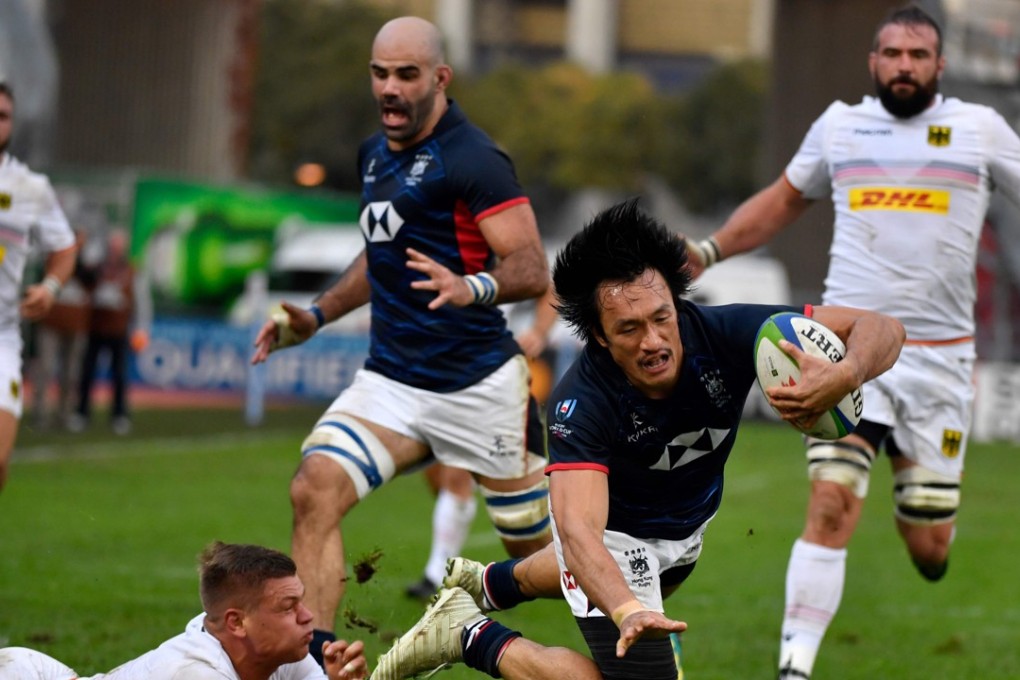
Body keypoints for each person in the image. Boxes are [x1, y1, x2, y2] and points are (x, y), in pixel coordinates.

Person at [370, 199, 905, 680]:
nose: (652, 342)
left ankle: (487, 586)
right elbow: (579, 534)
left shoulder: (728, 332)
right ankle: (471, 637)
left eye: (661, 318)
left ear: (677, 303)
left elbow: (881, 326)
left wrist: (848, 372)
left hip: (684, 534)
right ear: (600, 335)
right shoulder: (580, 403)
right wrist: (627, 608)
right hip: (613, 548)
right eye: (628, 329)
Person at [682, 6, 1020, 678]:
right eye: (891, 54)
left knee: (928, 546)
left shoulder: (979, 131)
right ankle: (794, 668)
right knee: (831, 500)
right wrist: (709, 248)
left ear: (939, 66)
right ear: (873, 62)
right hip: (842, 349)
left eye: (917, 55)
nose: (903, 66)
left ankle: (922, 517)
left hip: (940, 364)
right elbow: (782, 199)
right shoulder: (840, 126)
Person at [250, 16, 552, 665]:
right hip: (391, 381)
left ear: (439, 78)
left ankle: (629, 634)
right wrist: (317, 314)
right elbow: (379, 254)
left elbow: (531, 266)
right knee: (314, 487)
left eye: (406, 75)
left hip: (480, 386)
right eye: (380, 73)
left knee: (546, 559)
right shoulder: (373, 154)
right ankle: (321, 663)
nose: (390, 87)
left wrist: (469, 286)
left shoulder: (473, 158)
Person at [0, 541, 369, 680]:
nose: (308, 617)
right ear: (236, 622)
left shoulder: (282, 652)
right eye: (288, 608)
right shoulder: (193, 672)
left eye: (302, 601)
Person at [0, 81, 77, 492]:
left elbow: (65, 249)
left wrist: (49, 287)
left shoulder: (31, 188)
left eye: (3, 116)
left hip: (3, 336)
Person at [69, 228, 147, 435]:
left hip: (119, 330)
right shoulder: (97, 267)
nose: (114, 250)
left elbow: (142, 302)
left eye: (118, 246)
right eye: (112, 246)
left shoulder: (131, 270)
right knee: (87, 372)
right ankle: (82, 412)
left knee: (119, 375)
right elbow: (84, 283)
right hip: (96, 327)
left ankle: (119, 415)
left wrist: (141, 329)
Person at [28, 228, 91, 430]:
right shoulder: (53, 258)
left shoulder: (84, 263)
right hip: (51, 323)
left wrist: (78, 256)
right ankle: (39, 413)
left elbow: (90, 280)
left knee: (70, 372)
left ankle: (65, 413)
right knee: (45, 368)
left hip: (76, 325)